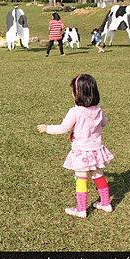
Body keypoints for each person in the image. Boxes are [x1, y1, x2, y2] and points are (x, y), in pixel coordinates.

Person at [36, 74, 115, 218]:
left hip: (81, 152)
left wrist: (47, 128)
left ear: (78, 94)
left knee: (81, 178)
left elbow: (63, 128)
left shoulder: (75, 111)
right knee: (98, 175)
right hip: (96, 151)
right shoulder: (98, 110)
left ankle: (81, 209)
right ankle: (105, 203)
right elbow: (104, 123)